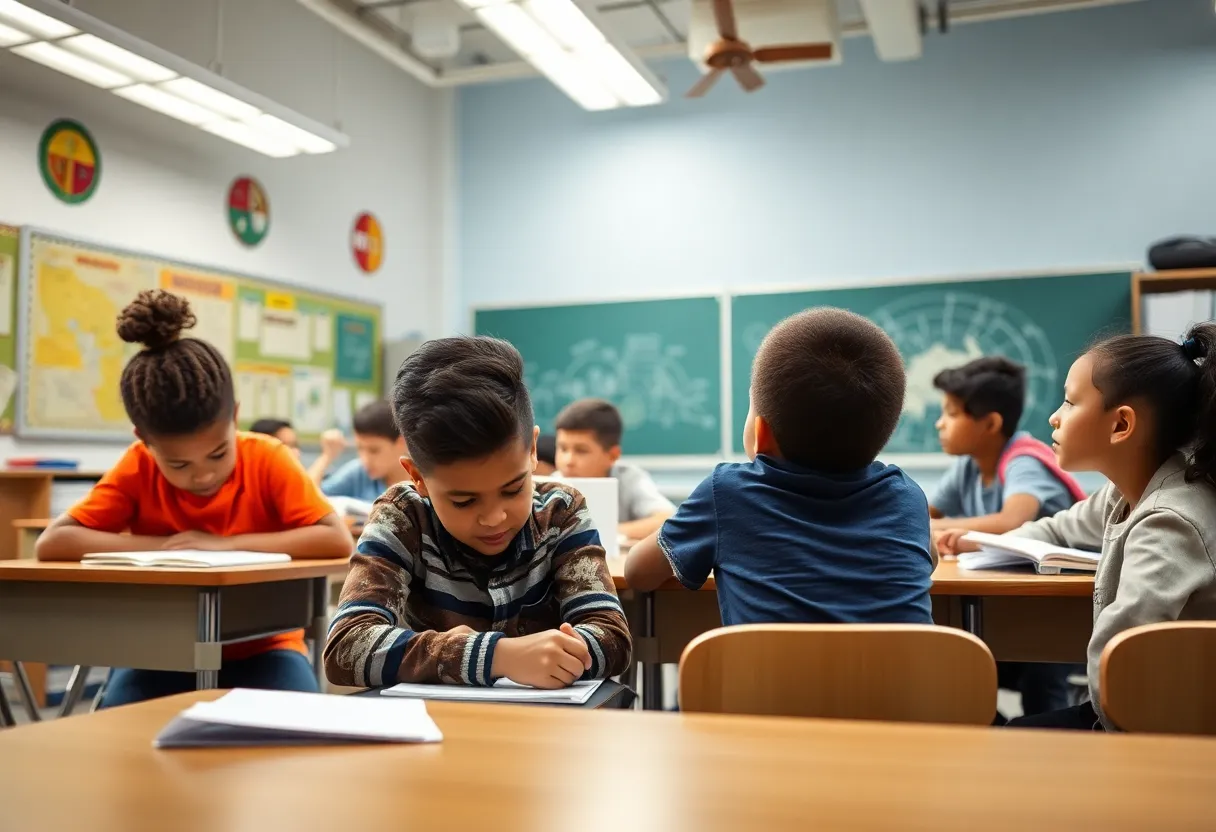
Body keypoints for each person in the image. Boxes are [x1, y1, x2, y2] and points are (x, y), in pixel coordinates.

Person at [35, 290, 352, 707]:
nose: (203, 474)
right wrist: (169, 550)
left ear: (234, 417)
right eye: (178, 464)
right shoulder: (138, 465)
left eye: (218, 454)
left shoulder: (267, 457)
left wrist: (224, 545)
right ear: (144, 441)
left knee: (300, 729)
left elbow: (335, 539)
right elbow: (53, 543)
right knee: (122, 731)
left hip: (266, 646)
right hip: (161, 647)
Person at [940, 324, 1216, 730]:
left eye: (1070, 402)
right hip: (1139, 706)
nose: (1054, 417)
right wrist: (982, 544)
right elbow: (1056, 529)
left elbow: (1120, 661)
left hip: (1161, 724)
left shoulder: (1168, 521)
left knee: (1004, 741)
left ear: (1121, 425)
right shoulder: (1124, 492)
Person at [324, 336, 632, 689]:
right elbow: (345, 648)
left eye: (513, 489)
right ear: (417, 477)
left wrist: (552, 655)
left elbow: (613, 639)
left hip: (548, 720)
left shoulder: (561, 512)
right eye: (464, 501)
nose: (494, 518)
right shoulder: (403, 516)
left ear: (532, 450)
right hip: (436, 719)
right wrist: (499, 656)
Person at [625, 308, 936, 629]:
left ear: (761, 433)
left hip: (768, 666)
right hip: (903, 665)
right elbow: (929, 559)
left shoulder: (727, 492)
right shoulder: (906, 496)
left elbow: (637, 573)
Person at [929, 356, 1086, 716]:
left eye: (951, 413)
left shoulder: (1024, 460)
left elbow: (1011, 521)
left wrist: (935, 528)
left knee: (1040, 693)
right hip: (1006, 605)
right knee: (962, 675)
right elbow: (928, 514)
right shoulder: (968, 466)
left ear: (990, 423)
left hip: (1056, 613)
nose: (939, 423)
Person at [554, 399, 674, 541]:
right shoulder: (552, 484)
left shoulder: (628, 478)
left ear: (612, 455)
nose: (568, 461)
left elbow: (667, 519)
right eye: (563, 448)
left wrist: (601, 532)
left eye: (581, 451)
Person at [307, 400, 410, 502]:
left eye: (374, 450)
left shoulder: (418, 479)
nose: (365, 459)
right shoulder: (359, 473)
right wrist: (327, 456)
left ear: (401, 443)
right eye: (360, 448)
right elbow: (307, 495)